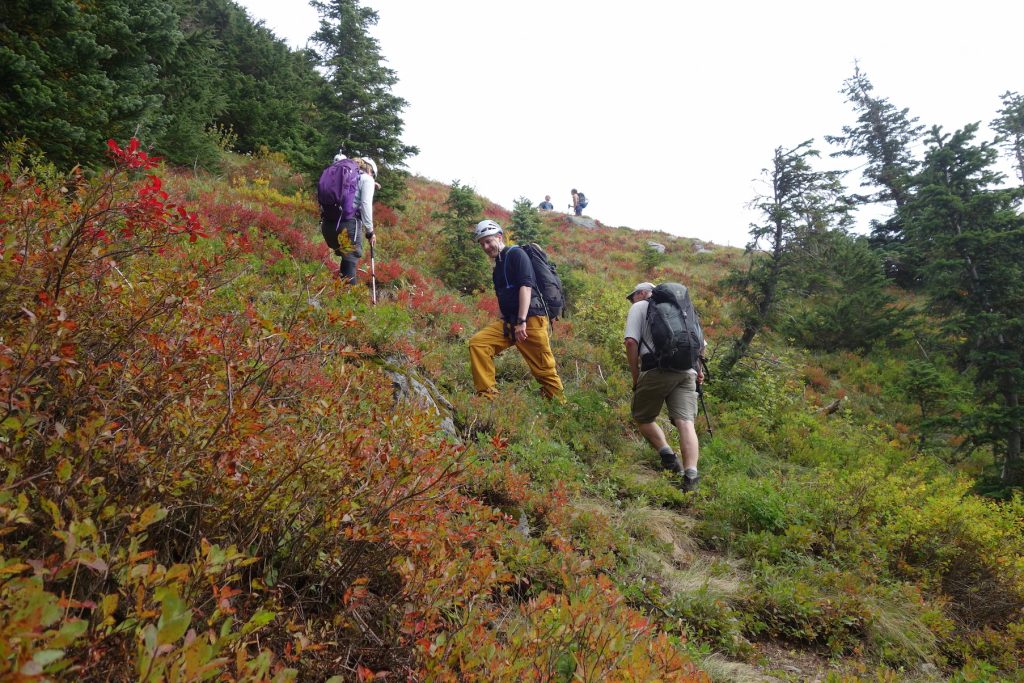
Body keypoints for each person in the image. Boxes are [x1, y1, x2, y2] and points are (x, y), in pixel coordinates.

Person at [469, 220, 564, 401]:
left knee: (544, 370)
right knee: (478, 343)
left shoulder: (516, 254)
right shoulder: (498, 266)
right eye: (482, 244)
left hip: (530, 321)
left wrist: (522, 321)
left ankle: (560, 408)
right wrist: (506, 319)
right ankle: (488, 397)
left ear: (499, 237)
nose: (486, 247)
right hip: (510, 322)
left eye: (488, 241)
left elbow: (526, 286)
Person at [623, 282, 704, 492]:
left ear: (642, 293)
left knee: (643, 418)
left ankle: (667, 455)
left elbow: (631, 342)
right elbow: (700, 345)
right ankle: (691, 476)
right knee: (686, 423)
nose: (632, 301)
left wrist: (636, 376)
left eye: (633, 296)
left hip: (656, 369)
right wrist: (699, 372)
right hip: (687, 372)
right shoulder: (684, 309)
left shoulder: (640, 307)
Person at [337, 156, 377, 284]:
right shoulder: (367, 179)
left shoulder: (347, 175)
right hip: (349, 222)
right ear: (371, 171)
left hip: (329, 223)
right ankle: (348, 298)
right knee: (351, 256)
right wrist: (370, 232)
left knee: (346, 255)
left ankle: (339, 294)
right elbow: (365, 204)